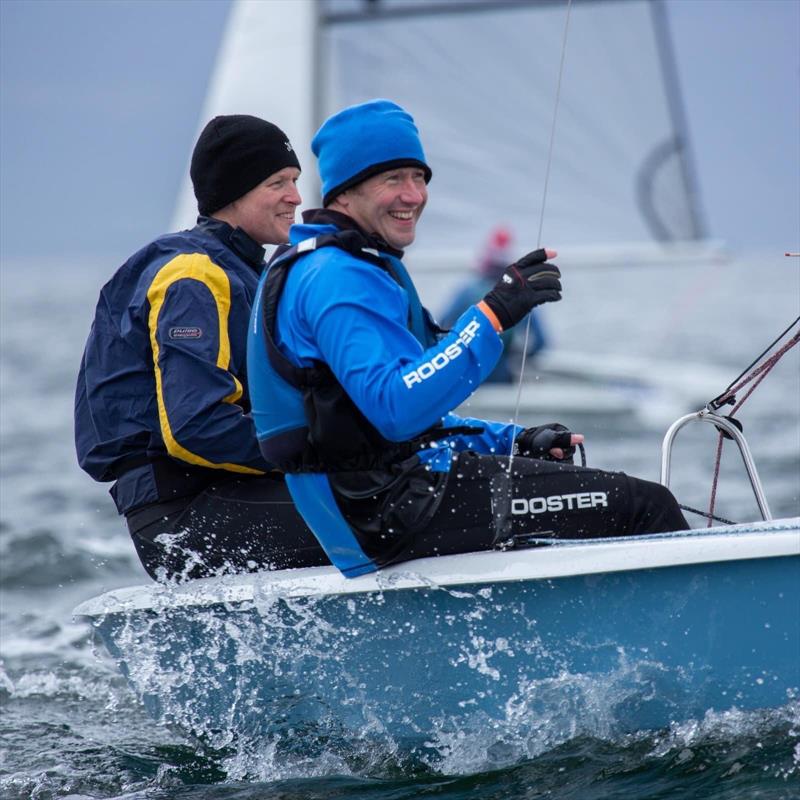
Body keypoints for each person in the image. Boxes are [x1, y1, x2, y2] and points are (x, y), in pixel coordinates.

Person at [247, 98, 689, 578]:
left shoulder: (346, 265)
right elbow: (397, 409)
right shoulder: (337, 277)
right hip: (385, 510)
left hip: (381, 501)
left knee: (575, 519)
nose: (413, 195)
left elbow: (401, 416)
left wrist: (512, 441)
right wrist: (492, 315)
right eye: (392, 179)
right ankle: (696, 649)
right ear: (345, 193)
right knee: (643, 505)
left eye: (419, 178)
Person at [75, 114, 330, 581]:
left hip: (222, 493)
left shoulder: (245, 271)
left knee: (394, 489)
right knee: (382, 507)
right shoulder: (195, 275)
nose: (295, 196)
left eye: (294, 180)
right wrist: (321, 451)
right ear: (234, 192)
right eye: (278, 182)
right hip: (182, 514)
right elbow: (196, 426)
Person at [439, 226, 548, 382]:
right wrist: (516, 357)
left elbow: (441, 326)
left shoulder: (467, 291)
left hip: (464, 378)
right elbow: (541, 342)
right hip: (501, 377)